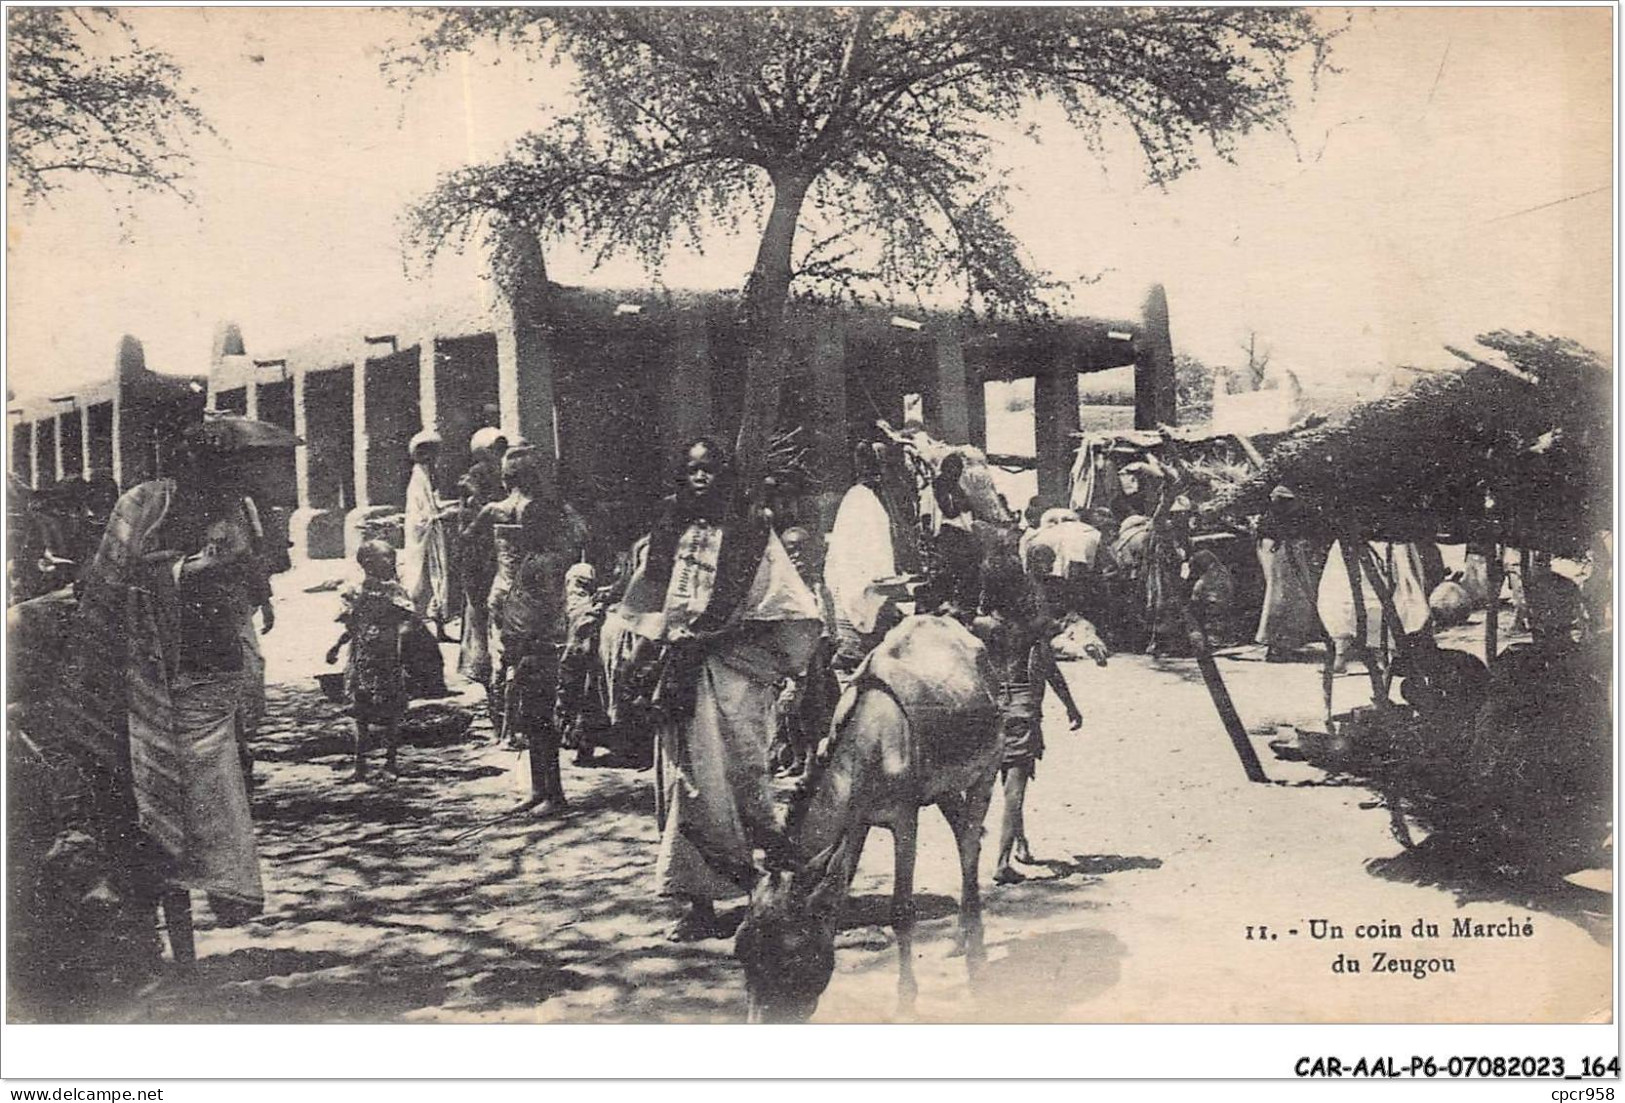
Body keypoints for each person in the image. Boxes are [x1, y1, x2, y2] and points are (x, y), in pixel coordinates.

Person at [606, 438, 822, 940]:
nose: (699, 478)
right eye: (691, 470)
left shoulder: (750, 533)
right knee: (685, 783)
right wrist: (644, 654)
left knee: (741, 780)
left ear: (724, 476)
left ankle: (764, 891)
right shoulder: (670, 531)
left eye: (709, 470)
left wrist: (721, 634)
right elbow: (646, 600)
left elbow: (789, 606)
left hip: (730, 676)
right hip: (678, 673)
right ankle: (698, 901)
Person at [67, 420, 268, 946]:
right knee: (156, 797)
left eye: (235, 468)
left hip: (214, 672)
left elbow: (256, 584)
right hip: (150, 672)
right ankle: (174, 928)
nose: (232, 478)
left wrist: (242, 571)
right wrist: (191, 570)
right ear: (190, 463)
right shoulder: (144, 505)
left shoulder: (238, 511)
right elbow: (109, 585)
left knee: (210, 792)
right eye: (222, 466)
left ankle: (220, 895)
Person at [975, 545, 1083, 885]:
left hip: (988, 710)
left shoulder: (978, 627)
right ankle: (1002, 862)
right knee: (1015, 790)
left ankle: (1017, 845)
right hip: (1021, 708)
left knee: (988, 787)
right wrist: (1070, 705)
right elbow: (1049, 667)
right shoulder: (1031, 627)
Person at [326, 540, 417, 781]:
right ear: (367, 563)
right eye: (385, 558)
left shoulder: (396, 592)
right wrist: (336, 646)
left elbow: (408, 620)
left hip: (388, 657)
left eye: (392, 558)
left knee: (391, 711)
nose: (391, 562)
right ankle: (360, 763)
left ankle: (391, 762)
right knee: (360, 711)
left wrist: (403, 642)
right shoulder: (355, 591)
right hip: (361, 657)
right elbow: (352, 625)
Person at [824, 442, 898, 672]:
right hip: (858, 580)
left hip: (873, 580)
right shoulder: (859, 500)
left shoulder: (874, 499)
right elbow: (853, 549)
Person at [456, 428, 509, 698]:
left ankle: (481, 665)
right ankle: (480, 664)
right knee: (480, 609)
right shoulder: (479, 476)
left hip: (487, 549)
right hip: (482, 551)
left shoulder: (492, 475)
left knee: (483, 608)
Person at [1253, 487, 1324, 661]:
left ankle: (1285, 645)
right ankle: (1277, 646)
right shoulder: (1272, 519)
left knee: (1291, 600)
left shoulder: (1287, 519)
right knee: (1279, 599)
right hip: (1282, 557)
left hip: (1290, 557)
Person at [402, 429, 457, 641]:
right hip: (423, 540)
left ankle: (440, 630)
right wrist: (440, 516)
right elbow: (419, 514)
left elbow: (430, 506)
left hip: (431, 537)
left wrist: (440, 511)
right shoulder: (418, 478)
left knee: (438, 581)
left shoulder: (426, 475)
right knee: (423, 582)